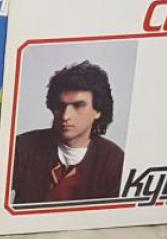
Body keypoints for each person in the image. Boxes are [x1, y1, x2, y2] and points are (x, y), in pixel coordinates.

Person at [11, 61, 126, 204]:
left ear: (98, 111)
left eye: (78, 105)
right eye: (60, 106)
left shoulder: (114, 161)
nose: (66, 116)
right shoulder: (23, 147)